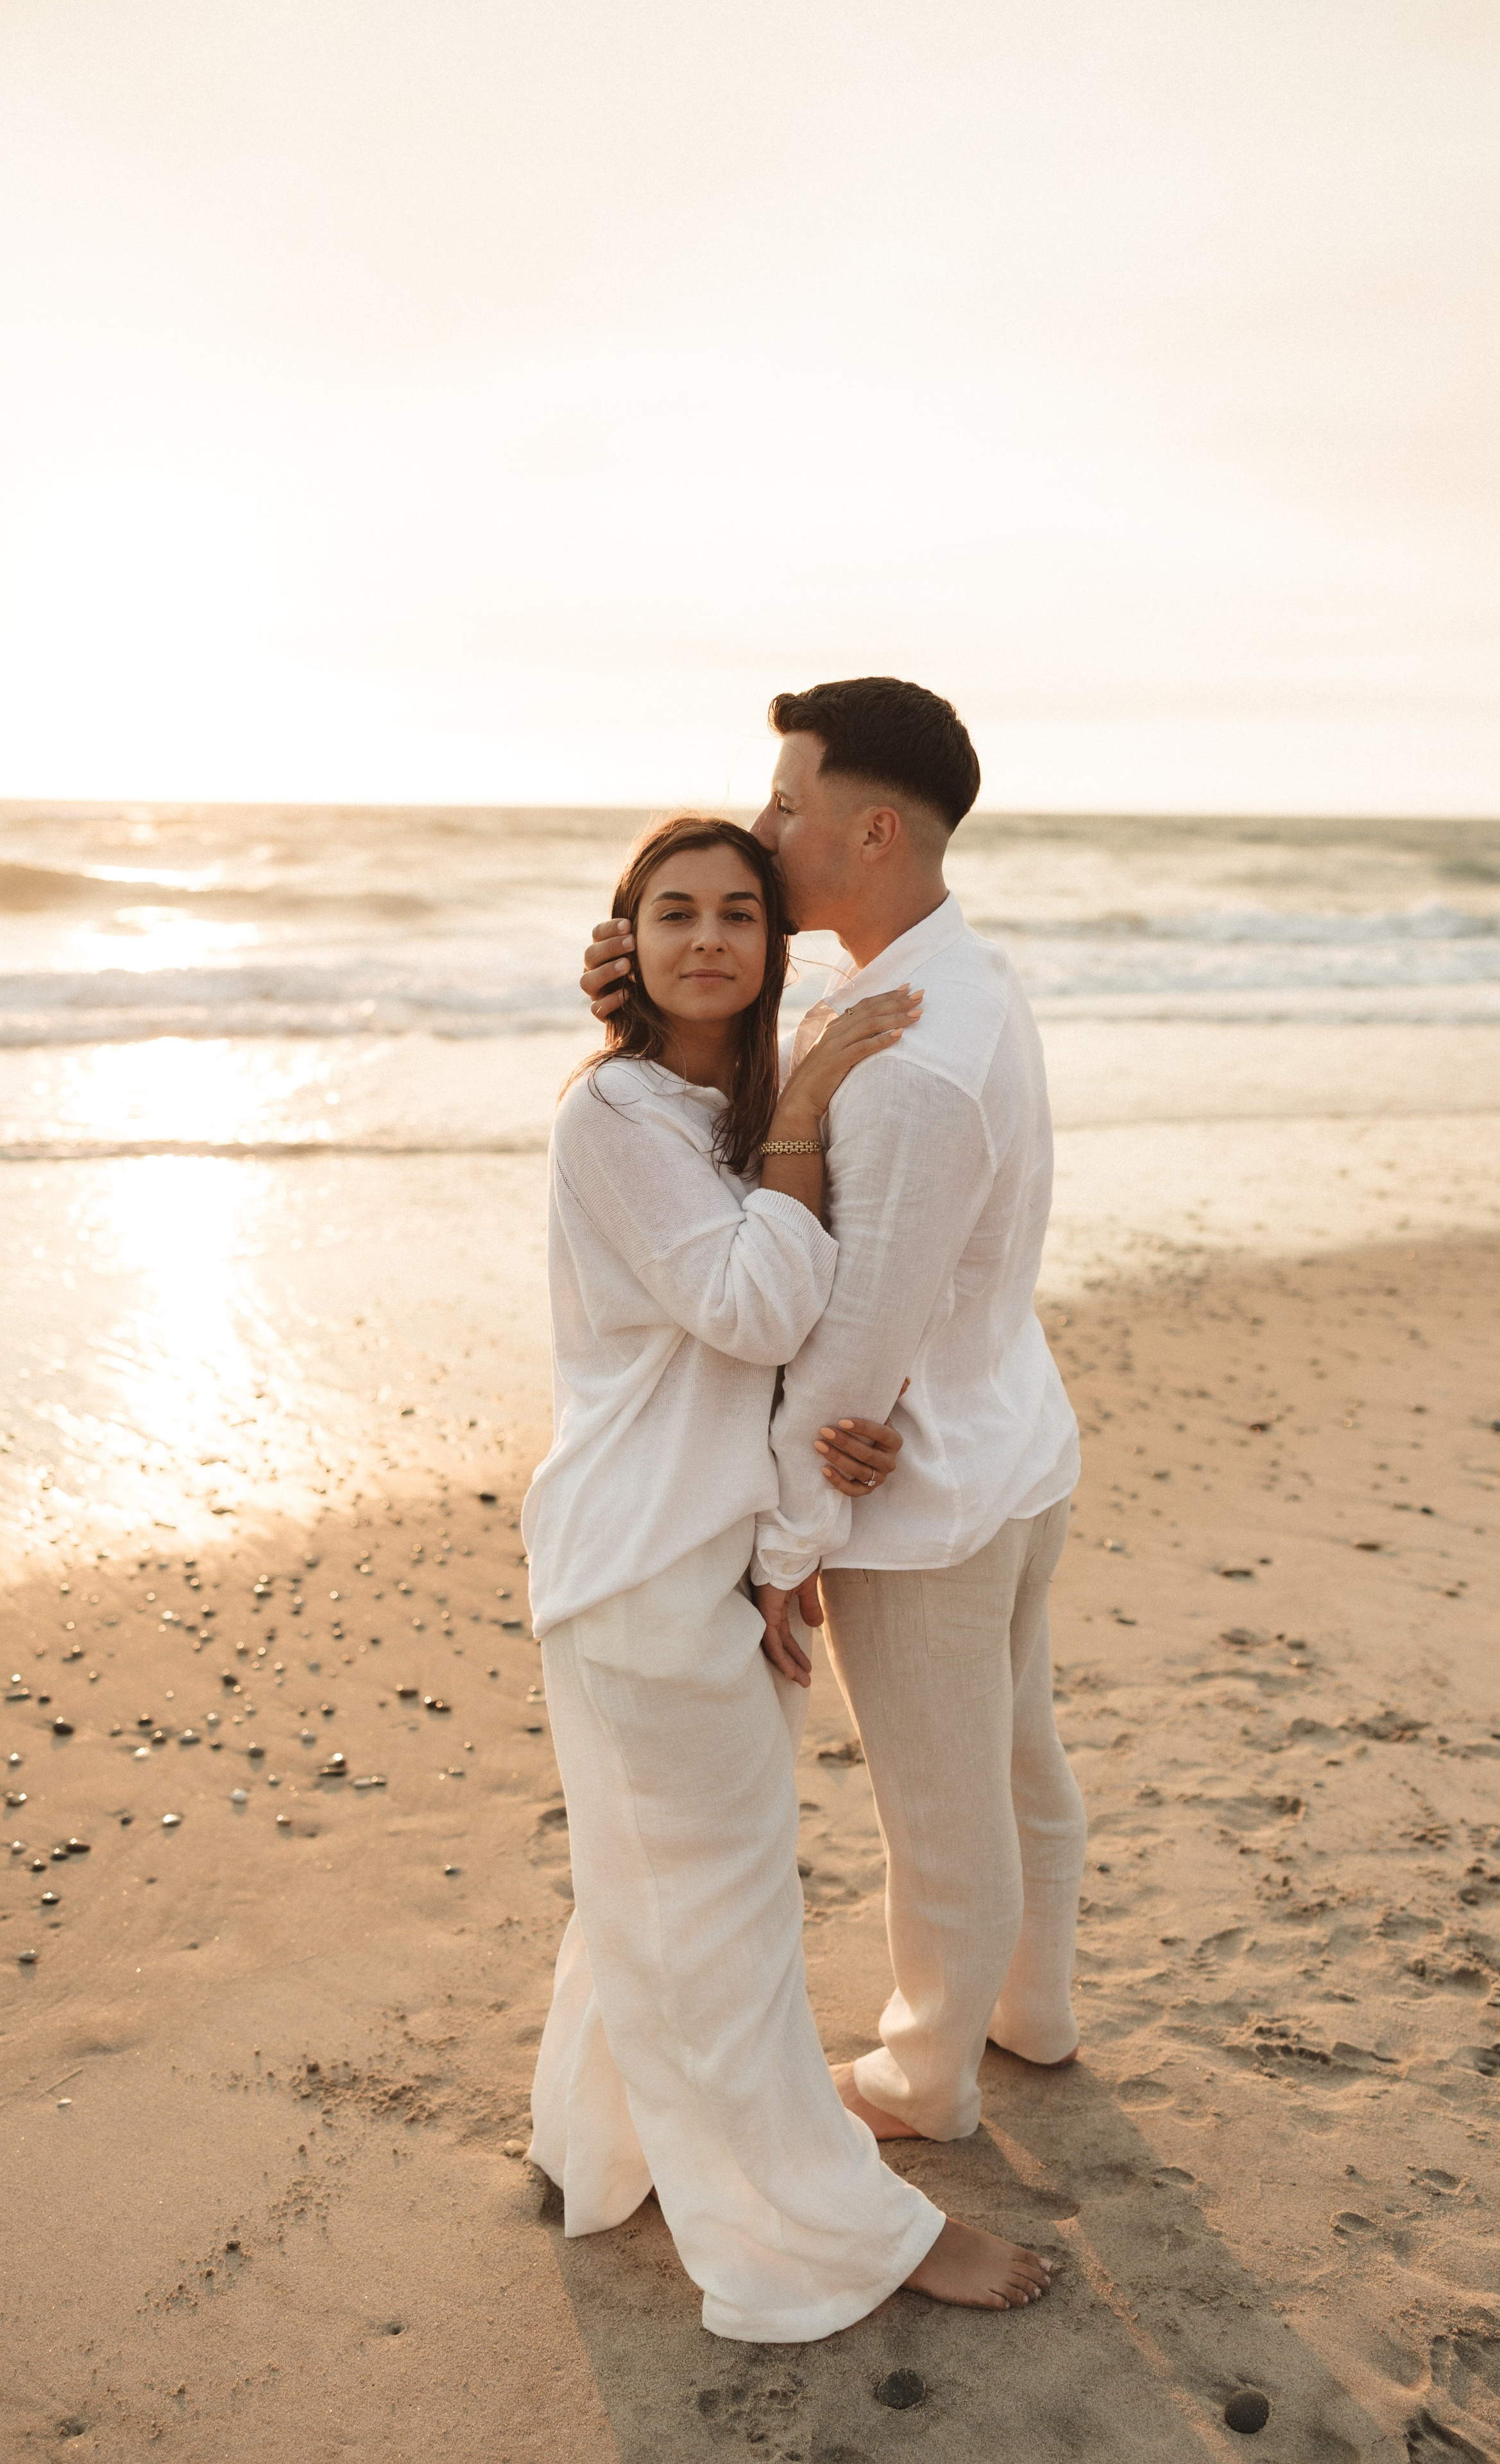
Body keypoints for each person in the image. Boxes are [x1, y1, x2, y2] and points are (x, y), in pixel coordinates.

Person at [524, 811, 1056, 2343]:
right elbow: (757, 1304)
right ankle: (833, 2237)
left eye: (738, 915)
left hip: (688, 1556)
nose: (708, 939)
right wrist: (815, 1097)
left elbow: (774, 1352)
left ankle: (598, 2155)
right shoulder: (617, 1113)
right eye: (671, 912)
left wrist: (852, 1433)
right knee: (726, 1922)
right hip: (640, 1564)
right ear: (627, 940)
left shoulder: (716, 1099)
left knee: (652, 1885)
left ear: (778, 946)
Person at [581, 681, 1087, 2152]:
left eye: (788, 803)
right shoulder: (950, 978)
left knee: (944, 1814)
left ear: (871, 829)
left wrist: (788, 1535)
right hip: (1014, 1434)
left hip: (925, 1495)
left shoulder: (906, 1060)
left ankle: (928, 2078)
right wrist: (626, 975)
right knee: (1017, 1759)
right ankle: (1032, 2008)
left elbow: (859, 1336)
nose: (763, 824)